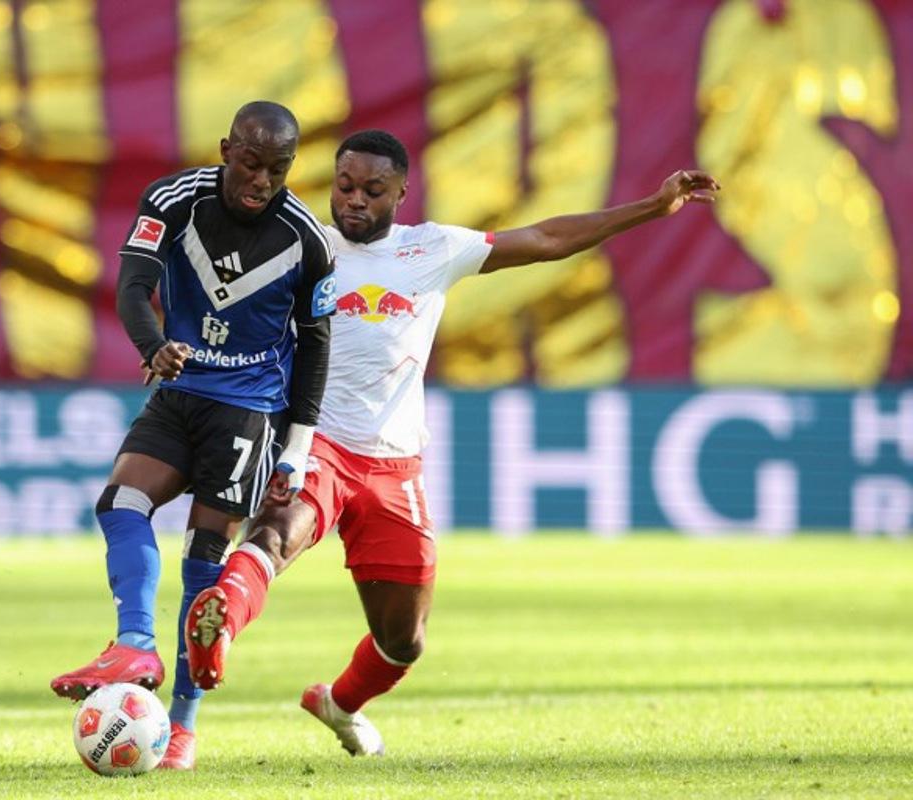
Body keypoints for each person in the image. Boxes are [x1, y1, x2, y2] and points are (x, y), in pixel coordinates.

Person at [183, 129, 719, 756]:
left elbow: (545, 239)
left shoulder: (433, 249)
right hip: (317, 442)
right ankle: (220, 622)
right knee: (277, 534)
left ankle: (340, 704)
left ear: (401, 193)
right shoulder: (304, 245)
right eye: (345, 186)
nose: (354, 200)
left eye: (372, 190)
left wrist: (652, 207)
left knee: (403, 641)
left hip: (394, 468)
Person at [49, 101, 336, 770]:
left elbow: (317, 346)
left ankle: (180, 728)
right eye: (250, 163)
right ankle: (135, 644)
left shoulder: (308, 241)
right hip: (179, 390)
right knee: (120, 502)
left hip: (249, 409)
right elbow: (133, 286)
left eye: (277, 169)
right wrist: (154, 346)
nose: (261, 180)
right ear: (226, 150)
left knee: (204, 563)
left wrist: (296, 450)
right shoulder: (173, 200)